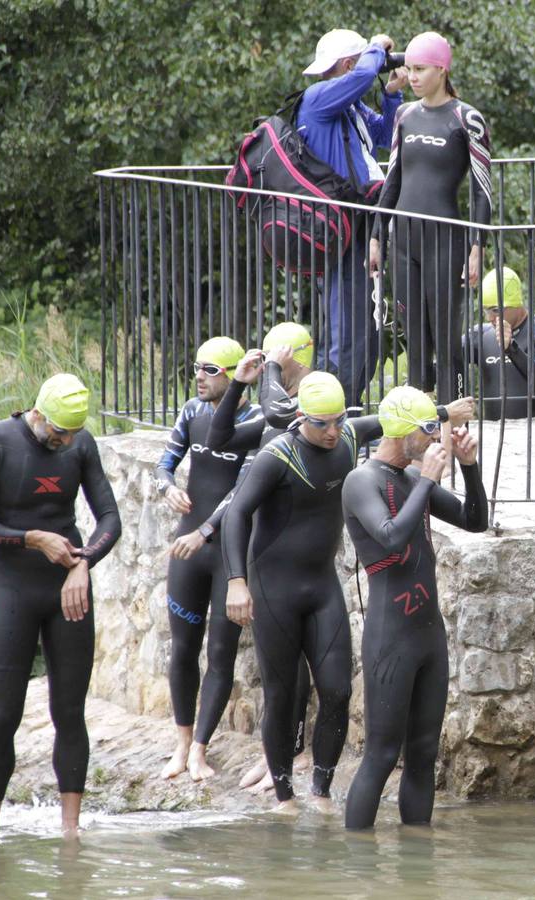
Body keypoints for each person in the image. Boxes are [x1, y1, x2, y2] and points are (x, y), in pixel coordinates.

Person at [0, 374, 121, 836]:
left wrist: (83, 562)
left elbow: (110, 517)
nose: (65, 442)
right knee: (3, 714)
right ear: (39, 414)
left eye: (72, 434)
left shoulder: (80, 444)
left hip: (67, 591)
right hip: (12, 591)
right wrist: (31, 539)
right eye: (59, 433)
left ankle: (71, 832)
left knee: (69, 712)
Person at [220, 373, 372, 812]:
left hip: (322, 585)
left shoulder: (346, 437)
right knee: (283, 697)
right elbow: (237, 515)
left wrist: (443, 413)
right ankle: (284, 796)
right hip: (274, 590)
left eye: (339, 421)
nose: (332, 431)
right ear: (302, 417)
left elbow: (388, 420)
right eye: (322, 423)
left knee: (339, 691)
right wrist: (235, 581)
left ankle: (321, 791)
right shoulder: (277, 456)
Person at [341, 386, 488, 830]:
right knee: (383, 755)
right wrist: (427, 479)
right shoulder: (361, 481)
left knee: (424, 753)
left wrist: (469, 466)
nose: (435, 438)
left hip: (428, 636)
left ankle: (416, 869)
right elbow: (390, 536)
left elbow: (476, 521)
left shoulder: (409, 480)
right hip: (391, 636)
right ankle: (359, 865)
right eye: (428, 430)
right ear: (403, 432)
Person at [154, 337, 264, 783]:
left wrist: (204, 532)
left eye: (210, 370)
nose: (199, 376)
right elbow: (164, 463)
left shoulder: (256, 420)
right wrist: (168, 487)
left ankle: (200, 749)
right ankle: (181, 744)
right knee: (182, 649)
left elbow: (241, 493)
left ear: (237, 374)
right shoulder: (192, 412)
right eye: (197, 367)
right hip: (189, 549)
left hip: (226, 552)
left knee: (220, 656)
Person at [370, 31, 493, 404]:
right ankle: (421, 425)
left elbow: (482, 188)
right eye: (409, 69)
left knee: (445, 336)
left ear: (442, 69)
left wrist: (476, 247)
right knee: (416, 339)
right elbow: (392, 179)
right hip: (404, 240)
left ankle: (451, 420)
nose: (413, 77)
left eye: (420, 69)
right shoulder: (405, 115)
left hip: (445, 240)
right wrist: (377, 236)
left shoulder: (466, 117)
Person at [297, 29, 408, 408]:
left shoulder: (348, 106)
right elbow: (362, 77)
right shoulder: (318, 98)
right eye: (359, 62)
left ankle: (346, 408)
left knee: (363, 324)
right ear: (348, 64)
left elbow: (382, 135)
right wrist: (377, 49)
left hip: (360, 221)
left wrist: (391, 94)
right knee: (346, 326)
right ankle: (331, 415)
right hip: (339, 225)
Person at [464, 266, 535, 420]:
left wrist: (511, 348)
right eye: (486, 311)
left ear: (516, 304)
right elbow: (446, 360)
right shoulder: (481, 334)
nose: (490, 318)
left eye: (496, 310)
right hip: (493, 436)